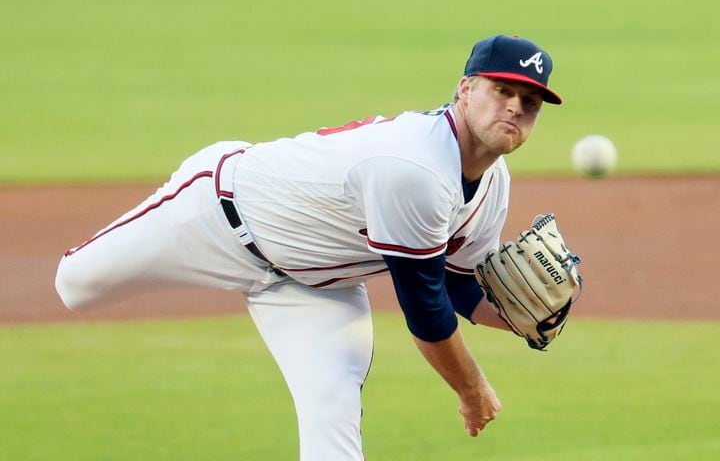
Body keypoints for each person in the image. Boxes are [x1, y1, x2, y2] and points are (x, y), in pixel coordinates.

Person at [56, 34, 563, 460]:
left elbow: (454, 281)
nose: (516, 108)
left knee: (331, 416)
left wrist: (524, 320)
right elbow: (426, 310)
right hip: (215, 217)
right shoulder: (415, 168)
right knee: (72, 285)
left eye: (531, 102)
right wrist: (471, 389)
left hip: (315, 290)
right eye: (502, 91)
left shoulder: (494, 183)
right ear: (465, 89)